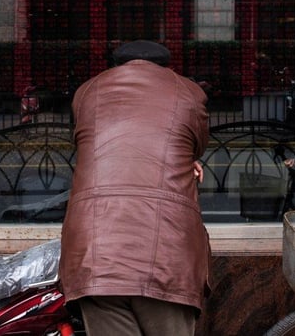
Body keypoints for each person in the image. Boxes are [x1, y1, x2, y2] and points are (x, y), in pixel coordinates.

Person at [60, 40, 210, 336]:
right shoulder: (189, 93)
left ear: (117, 65)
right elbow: (196, 144)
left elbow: (85, 141)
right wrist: (187, 160)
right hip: (168, 257)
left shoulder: (87, 92)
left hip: (94, 254)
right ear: (165, 67)